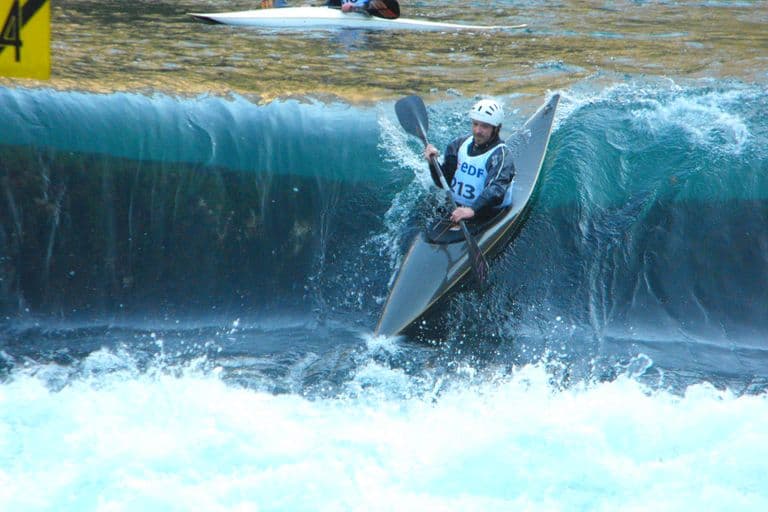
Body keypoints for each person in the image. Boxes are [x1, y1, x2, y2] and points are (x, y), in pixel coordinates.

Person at [423, 99, 516, 225]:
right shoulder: (457, 145)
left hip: (486, 212)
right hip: (456, 208)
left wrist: (472, 210)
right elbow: (444, 182)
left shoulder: (501, 156)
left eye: (484, 126)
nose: (478, 130)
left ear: (496, 129)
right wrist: (432, 164)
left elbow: (496, 189)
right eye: (475, 124)